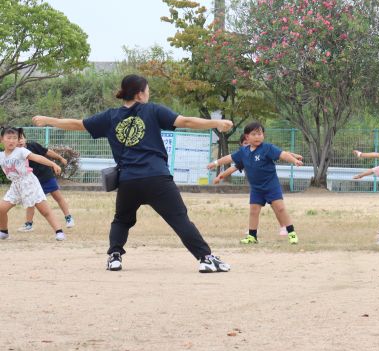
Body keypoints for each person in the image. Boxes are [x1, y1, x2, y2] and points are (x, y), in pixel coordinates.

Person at [32, 74, 233, 273]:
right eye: (147, 91)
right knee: (179, 219)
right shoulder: (153, 110)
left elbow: (78, 124)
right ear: (139, 94)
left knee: (121, 220)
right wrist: (215, 123)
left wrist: (49, 120)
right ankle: (206, 258)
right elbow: (186, 122)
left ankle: (114, 257)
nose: (148, 94)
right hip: (157, 178)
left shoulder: (110, 116)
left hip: (128, 180)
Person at [207, 121, 304, 245]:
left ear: (263, 135)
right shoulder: (244, 152)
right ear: (247, 137)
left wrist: (294, 161)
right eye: (254, 134)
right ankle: (252, 237)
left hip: (271, 186)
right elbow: (229, 158)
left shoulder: (267, 148)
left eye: (260, 134)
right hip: (256, 188)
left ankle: (292, 233)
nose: (258, 137)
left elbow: (283, 154)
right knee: (253, 211)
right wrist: (215, 164)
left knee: (280, 208)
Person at [0, 126, 66, 242]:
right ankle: (4, 232)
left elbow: (38, 158)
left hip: (29, 182)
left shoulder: (21, 151)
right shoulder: (1, 156)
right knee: (1, 209)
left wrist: (53, 164)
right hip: (16, 185)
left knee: (44, 210)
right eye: (8, 138)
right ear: (2, 139)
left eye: (14, 138)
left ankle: (59, 231)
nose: (11, 141)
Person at [15, 127, 74, 232]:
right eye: (17, 139)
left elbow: (47, 152)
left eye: (21, 138)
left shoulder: (33, 145)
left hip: (44, 175)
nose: (20, 141)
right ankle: (29, 224)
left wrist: (60, 158)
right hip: (31, 180)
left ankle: (68, 217)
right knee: (31, 201)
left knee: (57, 196)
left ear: (25, 139)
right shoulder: (14, 153)